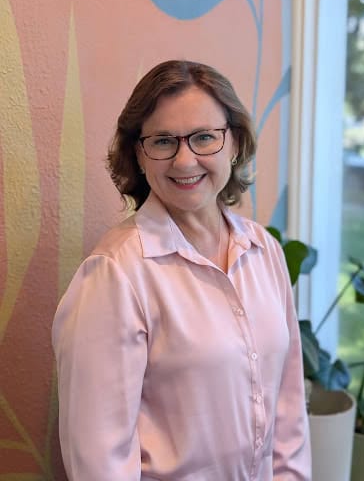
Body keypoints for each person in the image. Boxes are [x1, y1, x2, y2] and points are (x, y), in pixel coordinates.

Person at [52, 60, 311, 480]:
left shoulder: (265, 250)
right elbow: (100, 461)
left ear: (235, 143)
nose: (185, 160)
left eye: (204, 137)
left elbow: (289, 410)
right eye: (163, 141)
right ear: (138, 153)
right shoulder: (115, 275)